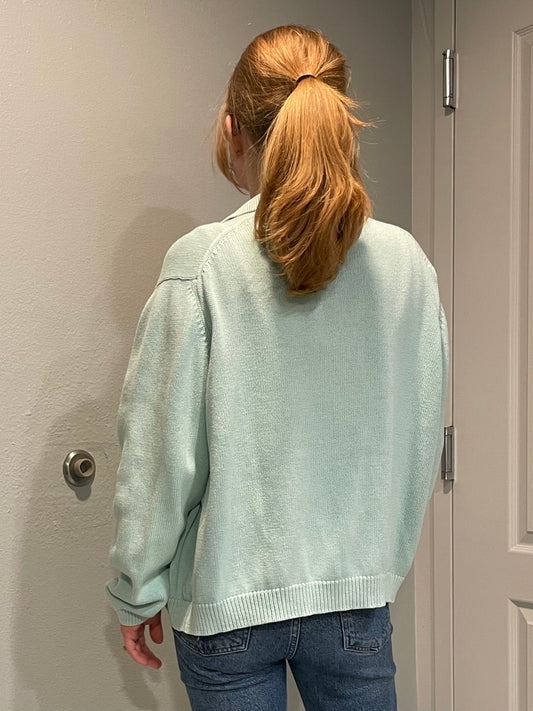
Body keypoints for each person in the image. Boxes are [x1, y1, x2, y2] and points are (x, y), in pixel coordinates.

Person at [105, 24, 449, 711]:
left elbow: (158, 453)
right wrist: (374, 565)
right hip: (354, 600)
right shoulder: (405, 265)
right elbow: (416, 441)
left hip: (227, 603)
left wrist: (135, 586)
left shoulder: (202, 264)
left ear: (233, 130)